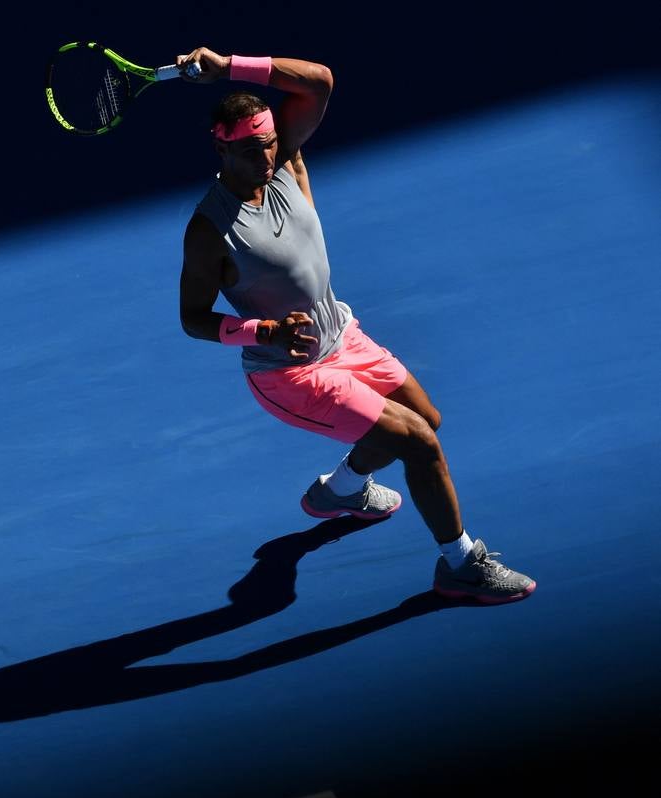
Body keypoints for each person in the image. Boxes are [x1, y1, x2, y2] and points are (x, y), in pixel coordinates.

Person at [174, 46, 535, 603]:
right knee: (418, 444)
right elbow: (193, 319)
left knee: (425, 419)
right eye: (248, 151)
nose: (264, 158)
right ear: (220, 146)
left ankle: (338, 492)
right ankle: (460, 564)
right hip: (289, 373)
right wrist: (261, 332)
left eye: (268, 143)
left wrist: (228, 66)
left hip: (341, 333)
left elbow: (318, 82)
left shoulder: (287, 163)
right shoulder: (208, 229)